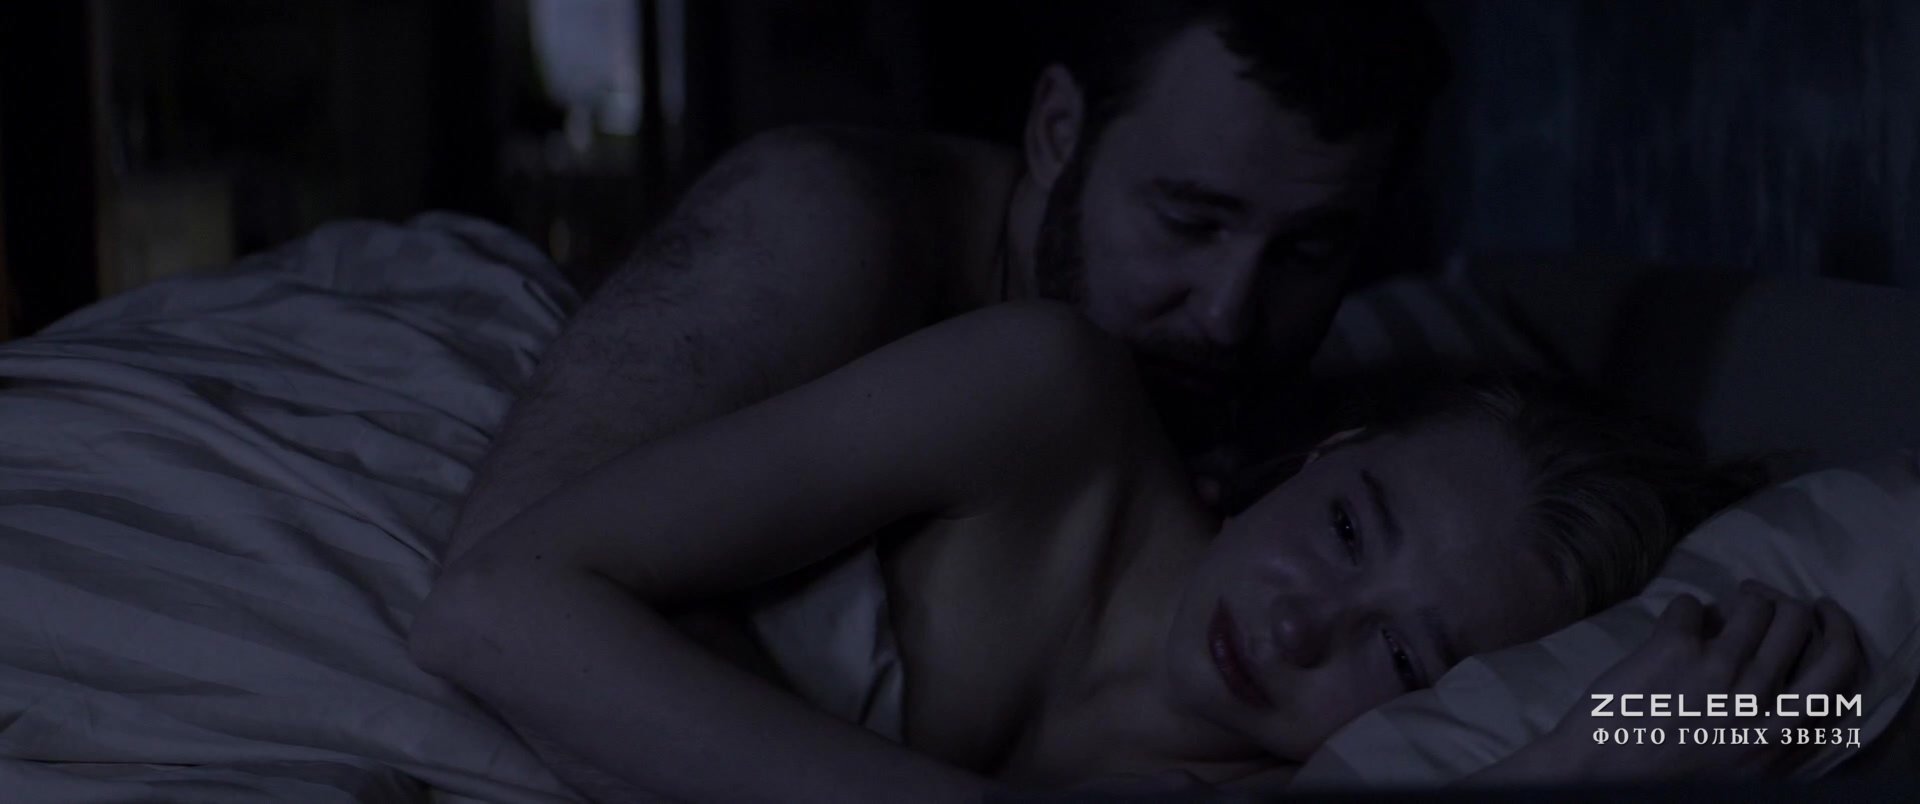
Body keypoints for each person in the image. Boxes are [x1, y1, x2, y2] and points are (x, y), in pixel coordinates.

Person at [410, 302, 1861, 802]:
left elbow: (1821, 699)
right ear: (1328, 456)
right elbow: (495, 606)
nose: (1302, 625)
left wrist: (1581, 764)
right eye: (1348, 529)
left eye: (1399, 653)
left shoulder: (1301, 778)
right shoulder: (1050, 406)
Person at [443, 1, 1452, 574]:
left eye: (1308, 251)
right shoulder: (825, 227)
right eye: (1189, 221)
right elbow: (505, 570)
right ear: (1057, 133)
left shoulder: (1284, 423)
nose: (1230, 314)